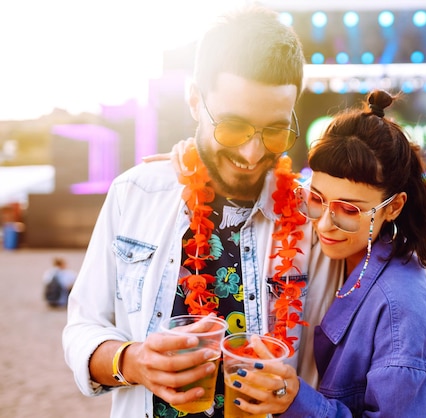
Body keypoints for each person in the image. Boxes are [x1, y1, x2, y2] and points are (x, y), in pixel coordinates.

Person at [62, 6, 341, 418]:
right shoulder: (135, 194)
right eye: (232, 126)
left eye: (275, 131)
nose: (252, 152)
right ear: (195, 101)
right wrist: (132, 361)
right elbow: (83, 325)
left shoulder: (312, 219)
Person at [229, 90, 426, 417]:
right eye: (316, 199)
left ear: (394, 207)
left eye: (349, 210)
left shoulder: (402, 311)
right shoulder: (355, 253)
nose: (325, 224)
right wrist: (191, 164)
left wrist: (296, 400)